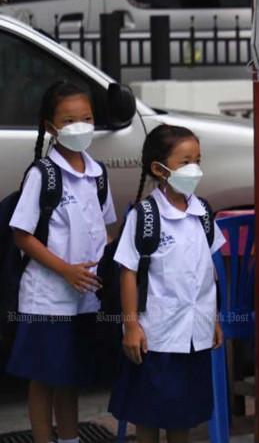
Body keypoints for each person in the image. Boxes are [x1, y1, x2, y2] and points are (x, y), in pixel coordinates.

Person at [7, 81, 116, 443]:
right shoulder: (42, 175)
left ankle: (70, 439)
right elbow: (22, 235)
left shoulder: (98, 174)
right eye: (69, 121)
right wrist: (65, 270)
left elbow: (105, 229)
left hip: (85, 295)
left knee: (70, 375)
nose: (80, 127)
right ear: (52, 128)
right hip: (47, 297)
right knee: (44, 376)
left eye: (86, 118)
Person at [108, 125, 225, 443]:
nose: (195, 169)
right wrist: (131, 327)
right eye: (185, 162)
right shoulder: (145, 216)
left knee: (182, 417)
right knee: (149, 416)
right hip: (155, 337)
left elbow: (208, 272)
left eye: (198, 160)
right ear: (159, 170)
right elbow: (128, 272)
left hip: (194, 335)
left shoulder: (202, 213)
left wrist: (212, 318)